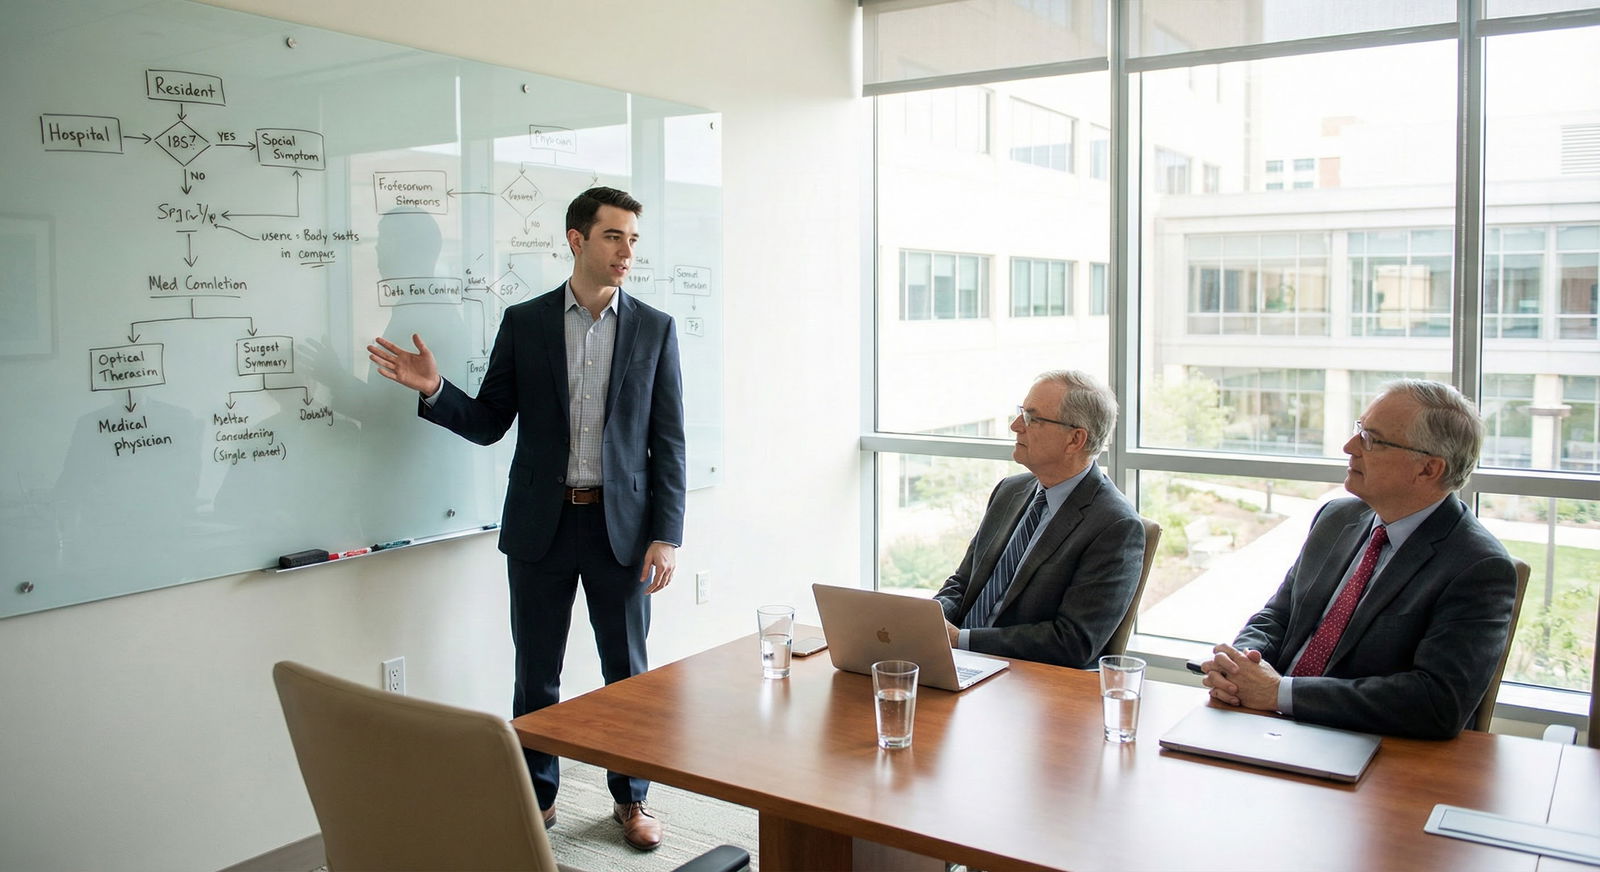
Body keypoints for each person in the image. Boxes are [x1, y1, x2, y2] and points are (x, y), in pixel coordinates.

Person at [367, 187, 685, 850]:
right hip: (542, 526)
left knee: (626, 674)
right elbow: (488, 423)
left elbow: (670, 440)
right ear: (576, 239)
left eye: (632, 239)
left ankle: (632, 799)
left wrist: (667, 534)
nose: (627, 251)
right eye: (613, 237)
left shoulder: (654, 328)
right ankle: (537, 800)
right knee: (536, 672)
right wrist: (434, 389)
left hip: (621, 532)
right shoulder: (527, 322)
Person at [1199, 379, 1517, 740]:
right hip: (1268, 727)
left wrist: (1279, 693)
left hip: (1366, 753)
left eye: (1373, 440)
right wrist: (1240, 665)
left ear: (1428, 469)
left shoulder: (1479, 567)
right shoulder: (1336, 519)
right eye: (1359, 430)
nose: (1350, 447)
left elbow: (1436, 702)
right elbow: (1279, 615)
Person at [934, 370, 1146, 668]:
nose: (1015, 425)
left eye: (1032, 418)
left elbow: (1073, 641)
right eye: (1021, 413)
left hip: (1028, 684)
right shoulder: (1010, 491)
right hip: (957, 662)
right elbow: (964, 582)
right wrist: (929, 622)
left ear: (1075, 439)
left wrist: (961, 640)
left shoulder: (1115, 526)